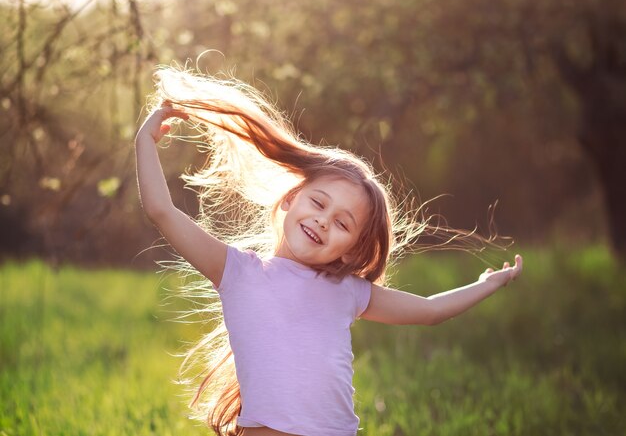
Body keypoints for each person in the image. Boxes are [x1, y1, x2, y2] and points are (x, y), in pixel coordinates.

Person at [135, 66, 523, 436]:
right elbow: (161, 211)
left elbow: (430, 311)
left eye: (342, 224)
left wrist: (488, 283)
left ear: (351, 250)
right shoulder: (237, 271)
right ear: (290, 199)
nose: (323, 221)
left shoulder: (348, 291)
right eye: (318, 203)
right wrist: (145, 143)